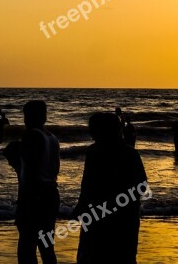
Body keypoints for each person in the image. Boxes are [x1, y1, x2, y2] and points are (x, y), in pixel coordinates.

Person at [74, 113, 148, 264]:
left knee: (92, 256)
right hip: (124, 217)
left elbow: (87, 184)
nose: (90, 132)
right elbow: (142, 187)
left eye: (93, 128)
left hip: (101, 216)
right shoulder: (130, 153)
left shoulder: (94, 152)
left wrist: (82, 206)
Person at [16, 101, 60, 264]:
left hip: (34, 194)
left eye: (26, 115)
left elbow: (32, 169)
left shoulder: (31, 135)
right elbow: (55, 168)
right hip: (51, 192)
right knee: (47, 247)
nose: (25, 120)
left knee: (26, 247)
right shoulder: (53, 138)